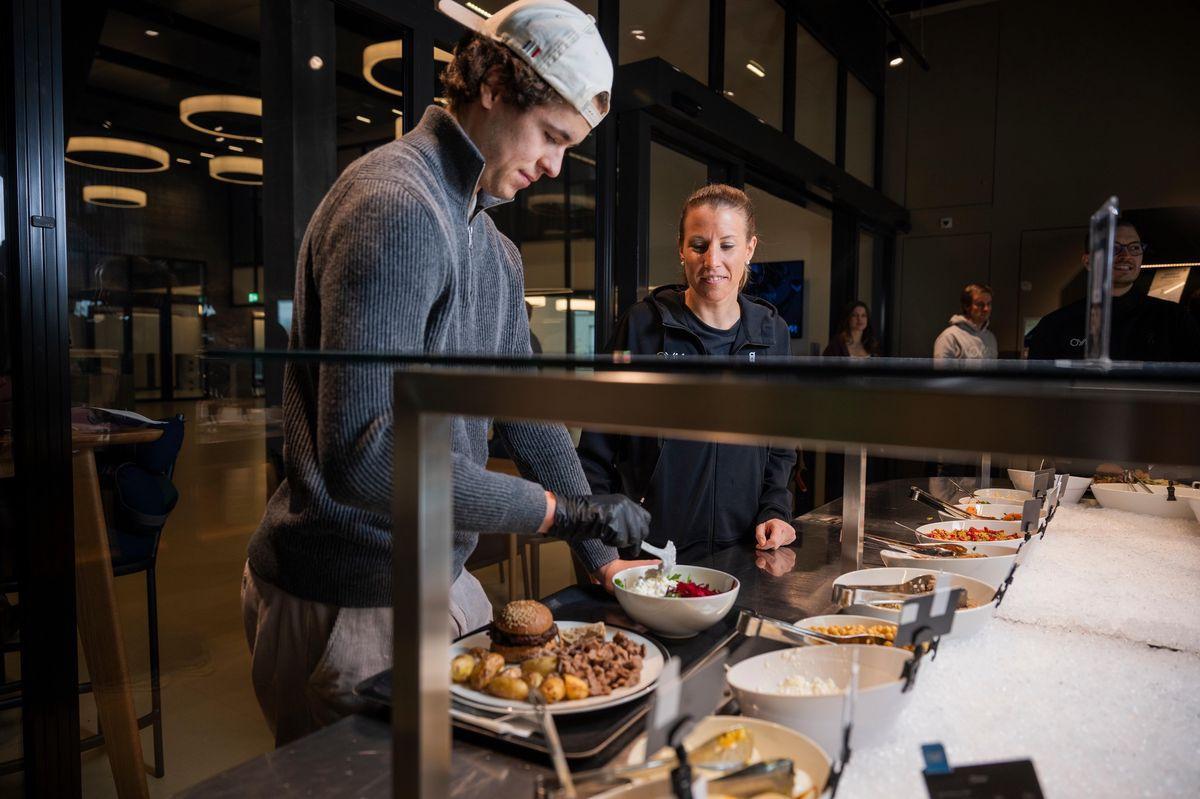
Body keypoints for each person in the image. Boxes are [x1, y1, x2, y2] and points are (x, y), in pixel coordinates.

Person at [242, 0, 651, 747]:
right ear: (494, 84)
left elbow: (526, 414)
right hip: (350, 594)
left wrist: (602, 554)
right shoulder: (394, 204)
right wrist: (559, 513)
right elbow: (366, 457)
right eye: (553, 136)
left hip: (437, 575)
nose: (557, 165)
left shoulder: (494, 249)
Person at [577, 185, 798, 563]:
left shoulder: (771, 333)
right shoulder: (642, 325)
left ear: (750, 249)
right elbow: (597, 450)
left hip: (744, 551)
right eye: (699, 245)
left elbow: (778, 443)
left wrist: (776, 509)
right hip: (649, 552)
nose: (712, 260)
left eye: (727, 245)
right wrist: (606, 553)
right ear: (681, 248)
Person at [1025, 219, 1200, 361]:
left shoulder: (1174, 319)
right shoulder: (1055, 325)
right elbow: (1040, 392)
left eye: (1135, 248)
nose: (1126, 256)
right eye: (1113, 248)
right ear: (1088, 262)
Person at [933, 283, 997, 359]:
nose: (986, 309)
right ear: (966, 306)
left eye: (989, 304)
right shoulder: (950, 337)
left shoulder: (991, 338)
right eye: (980, 304)